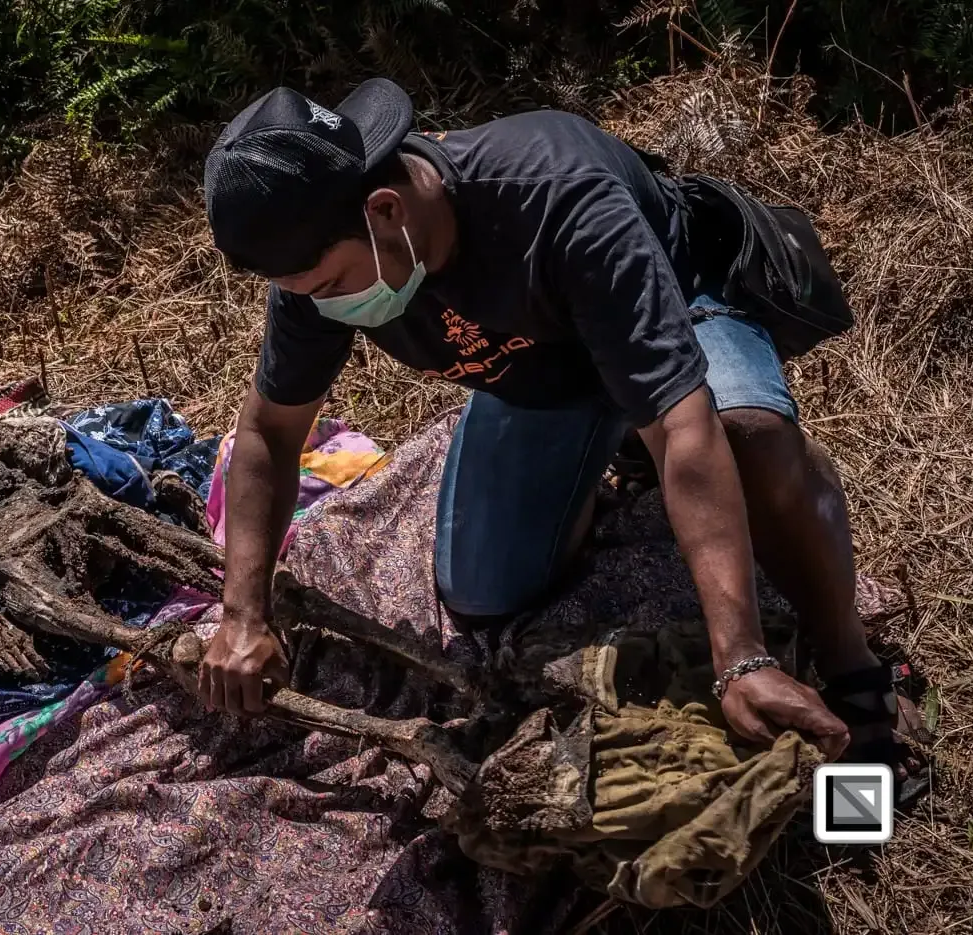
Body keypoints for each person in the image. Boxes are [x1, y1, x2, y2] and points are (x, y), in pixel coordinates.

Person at [196, 77, 923, 780]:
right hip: (542, 376)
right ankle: (618, 453)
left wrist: (742, 656)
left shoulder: (556, 199)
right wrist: (243, 614)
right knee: (484, 590)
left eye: (327, 288)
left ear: (386, 208)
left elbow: (681, 421)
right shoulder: (318, 259)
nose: (321, 307)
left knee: (744, 434)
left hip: (682, 308)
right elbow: (267, 434)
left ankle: (853, 661)